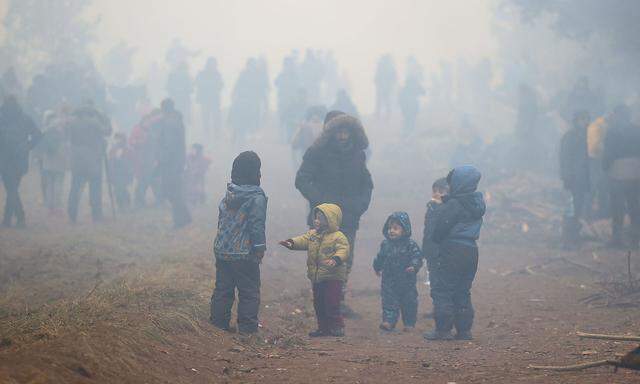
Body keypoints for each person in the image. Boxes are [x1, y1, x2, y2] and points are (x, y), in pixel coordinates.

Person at [295, 113, 373, 316]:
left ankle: (337, 302)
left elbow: (366, 184)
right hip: (322, 219)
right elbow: (302, 179)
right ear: (330, 131)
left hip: (348, 218)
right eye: (339, 130)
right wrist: (321, 201)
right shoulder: (317, 153)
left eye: (346, 130)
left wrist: (359, 205)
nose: (343, 135)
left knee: (344, 259)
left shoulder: (358, 154)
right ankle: (323, 305)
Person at [424, 165, 486, 341]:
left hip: (452, 250)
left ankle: (443, 330)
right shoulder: (476, 203)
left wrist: (436, 240)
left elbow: (441, 229)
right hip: (471, 249)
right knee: (462, 291)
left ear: (458, 184)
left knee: (444, 290)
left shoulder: (454, 204)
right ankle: (464, 330)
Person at [211, 151, 267, 334]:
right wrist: (259, 248)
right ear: (256, 174)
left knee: (223, 290)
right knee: (249, 291)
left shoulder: (229, 194)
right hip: (245, 253)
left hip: (223, 251)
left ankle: (218, 325)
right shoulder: (256, 197)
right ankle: (247, 330)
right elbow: (256, 225)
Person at [279, 203, 349, 337]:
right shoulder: (312, 235)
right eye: (316, 218)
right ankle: (323, 328)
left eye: (320, 219)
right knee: (319, 303)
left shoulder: (338, 236)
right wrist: (291, 243)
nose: (316, 221)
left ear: (330, 220)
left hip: (333, 277)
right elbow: (303, 240)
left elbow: (344, 250)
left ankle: (337, 326)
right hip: (317, 277)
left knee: (332, 302)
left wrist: (336, 259)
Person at [373, 212, 422, 332]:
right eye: (390, 228)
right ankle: (389, 321)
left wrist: (414, 266)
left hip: (407, 280)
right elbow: (380, 257)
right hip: (389, 280)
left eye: (395, 228)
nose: (391, 231)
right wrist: (377, 267)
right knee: (389, 301)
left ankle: (409, 323)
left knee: (409, 302)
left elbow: (417, 257)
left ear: (404, 230)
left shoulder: (411, 245)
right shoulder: (386, 244)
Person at [66, 100, 112, 224]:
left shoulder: (72, 123)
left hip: (77, 160)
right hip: (93, 160)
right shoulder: (94, 122)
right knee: (95, 188)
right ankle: (96, 216)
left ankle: (72, 215)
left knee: (75, 188)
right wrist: (104, 117)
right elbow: (108, 131)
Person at [602, 105, 640, 249]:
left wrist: (605, 167)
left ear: (617, 115)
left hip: (618, 171)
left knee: (617, 207)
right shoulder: (637, 130)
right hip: (636, 171)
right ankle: (635, 238)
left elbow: (609, 153)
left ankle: (617, 238)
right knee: (634, 205)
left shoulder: (613, 131)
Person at [0, 96, 41, 227]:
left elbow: (37, 135)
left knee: (11, 189)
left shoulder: (2, 117)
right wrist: (28, 146)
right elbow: (38, 135)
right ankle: (12, 219)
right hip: (19, 158)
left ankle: (17, 218)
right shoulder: (24, 118)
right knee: (13, 189)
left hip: (5, 158)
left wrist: (28, 146)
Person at [152, 98, 191, 228]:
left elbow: (169, 146)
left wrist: (161, 161)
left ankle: (180, 220)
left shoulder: (169, 123)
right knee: (174, 190)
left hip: (170, 164)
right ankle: (184, 217)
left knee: (171, 191)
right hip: (176, 161)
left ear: (164, 109)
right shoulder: (176, 120)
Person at [559, 111, 591, 248]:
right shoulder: (570, 137)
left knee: (578, 209)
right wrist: (567, 176)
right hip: (573, 178)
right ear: (576, 121)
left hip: (583, 178)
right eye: (582, 119)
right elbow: (565, 159)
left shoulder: (587, 136)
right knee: (571, 209)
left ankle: (574, 237)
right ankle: (568, 239)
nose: (585, 122)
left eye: (587, 119)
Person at [35, 108, 68, 217]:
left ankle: (49, 207)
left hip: (47, 160)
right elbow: (66, 144)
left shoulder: (45, 130)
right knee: (58, 183)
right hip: (59, 159)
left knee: (49, 184)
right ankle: (57, 206)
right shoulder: (62, 130)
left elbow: (40, 145)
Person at [130, 109, 161, 208]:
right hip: (141, 159)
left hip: (151, 159)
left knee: (153, 180)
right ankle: (139, 201)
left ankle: (160, 200)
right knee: (144, 180)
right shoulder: (137, 129)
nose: (148, 123)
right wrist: (140, 142)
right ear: (143, 121)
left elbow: (156, 145)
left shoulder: (153, 131)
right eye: (146, 121)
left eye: (149, 121)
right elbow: (131, 141)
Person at [422, 178, 449, 286]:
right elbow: (427, 229)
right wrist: (425, 249)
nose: (437, 194)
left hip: (444, 250)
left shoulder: (450, 209)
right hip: (431, 248)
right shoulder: (431, 207)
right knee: (433, 275)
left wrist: (438, 207)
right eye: (435, 191)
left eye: (441, 192)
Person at [195, 57, 223, 137]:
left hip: (214, 99)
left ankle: (216, 133)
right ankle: (207, 133)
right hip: (205, 99)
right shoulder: (202, 73)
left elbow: (220, 85)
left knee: (216, 117)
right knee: (205, 117)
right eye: (212, 64)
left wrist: (212, 85)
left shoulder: (217, 74)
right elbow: (197, 83)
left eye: (214, 64)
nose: (213, 65)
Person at [109, 132, 133, 212]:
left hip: (124, 173)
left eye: (119, 139)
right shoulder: (113, 149)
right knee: (118, 190)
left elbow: (130, 162)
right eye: (117, 139)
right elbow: (111, 161)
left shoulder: (128, 149)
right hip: (116, 173)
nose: (118, 141)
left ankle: (125, 204)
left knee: (121, 189)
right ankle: (121, 205)